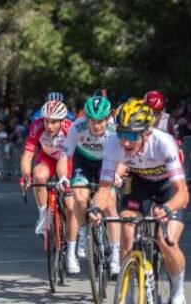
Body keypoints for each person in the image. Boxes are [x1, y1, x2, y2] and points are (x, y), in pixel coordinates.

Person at [90, 98, 189, 304]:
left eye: (131, 135)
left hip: (168, 187)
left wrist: (168, 208)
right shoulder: (112, 146)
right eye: (121, 133)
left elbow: (183, 193)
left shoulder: (163, 143)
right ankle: (127, 294)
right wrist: (97, 209)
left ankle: (178, 292)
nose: (125, 142)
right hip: (139, 183)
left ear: (146, 132)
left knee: (167, 241)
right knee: (127, 230)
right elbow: (104, 188)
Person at [62, 96, 120, 275]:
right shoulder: (77, 126)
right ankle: (83, 231)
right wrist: (63, 176)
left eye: (101, 121)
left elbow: (122, 156)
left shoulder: (114, 130)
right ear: (86, 118)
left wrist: (117, 174)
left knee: (110, 202)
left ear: (108, 118)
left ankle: (116, 256)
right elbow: (64, 156)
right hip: (83, 162)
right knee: (79, 197)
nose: (97, 126)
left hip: (106, 163)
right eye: (93, 121)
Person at [20, 100, 75, 238]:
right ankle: (44, 215)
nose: (49, 126)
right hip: (47, 156)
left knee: (70, 205)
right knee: (38, 175)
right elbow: (27, 155)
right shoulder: (37, 126)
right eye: (46, 121)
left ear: (63, 121)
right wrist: (26, 176)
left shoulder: (71, 129)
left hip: (66, 158)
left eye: (54, 122)